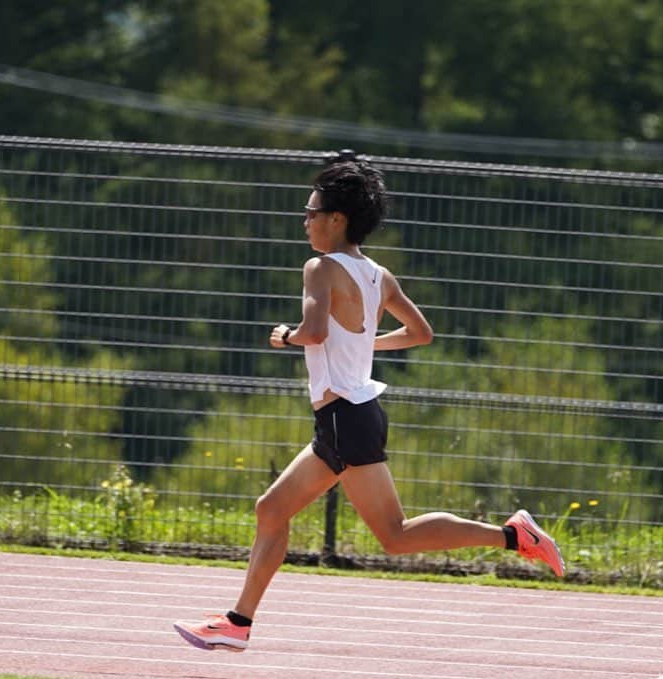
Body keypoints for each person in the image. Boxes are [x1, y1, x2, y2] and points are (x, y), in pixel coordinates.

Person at [174, 159, 565, 652]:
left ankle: (512, 536)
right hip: (353, 416)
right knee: (274, 509)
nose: (306, 221)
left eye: (311, 211)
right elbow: (422, 333)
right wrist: (362, 346)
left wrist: (286, 337)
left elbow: (314, 332)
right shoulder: (379, 275)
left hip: (344, 419)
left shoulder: (320, 267)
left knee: (393, 534)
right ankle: (238, 623)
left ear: (337, 218)